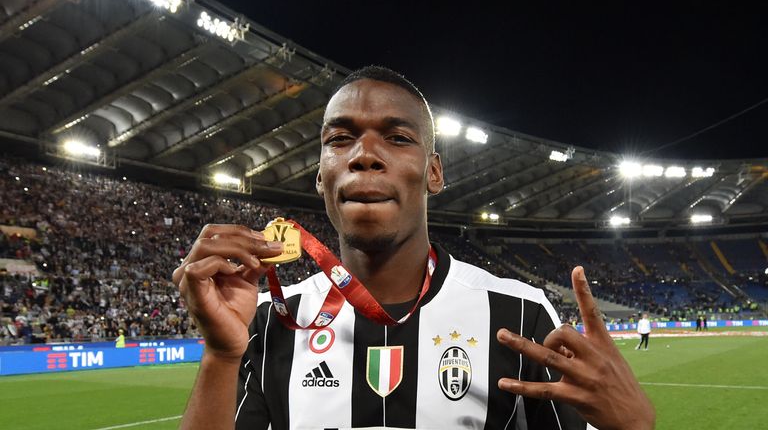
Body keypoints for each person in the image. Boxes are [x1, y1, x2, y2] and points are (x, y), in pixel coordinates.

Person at [174, 66, 655, 430]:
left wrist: (634, 427)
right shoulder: (269, 318)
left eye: (398, 137)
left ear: (434, 172)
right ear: (320, 174)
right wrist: (220, 355)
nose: (363, 155)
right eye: (340, 139)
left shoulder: (519, 314)